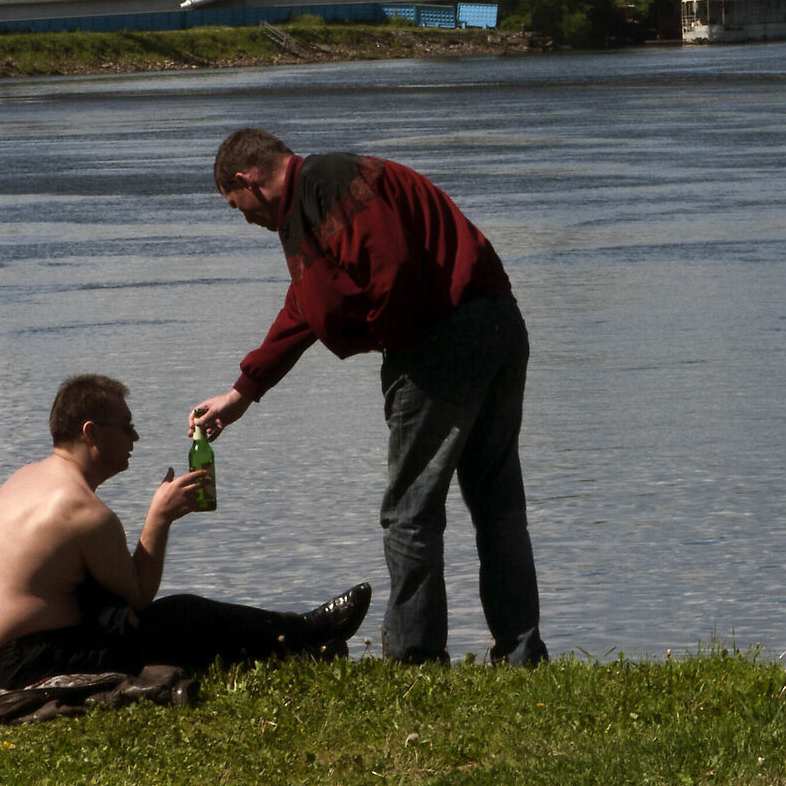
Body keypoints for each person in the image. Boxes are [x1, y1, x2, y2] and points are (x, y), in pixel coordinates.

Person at [188, 129, 545, 666]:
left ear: (249, 180)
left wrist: (394, 349)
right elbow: (306, 306)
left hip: (440, 341)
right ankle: (520, 654)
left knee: (410, 512)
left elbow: (391, 267)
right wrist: (244, 391)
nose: (250, 222)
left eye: (241, 209)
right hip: (495, 321)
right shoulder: (320, 198)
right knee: (497, 505)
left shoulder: (328, 184)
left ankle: (414, 659)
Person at [0, 373, 370, 689]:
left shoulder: (27, 478)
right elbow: (138, 596)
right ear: (91, 432)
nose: (135, 437)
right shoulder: (83, 511)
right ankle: (307, 631)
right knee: (180, 617)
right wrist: (160, 517)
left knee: (150, 619)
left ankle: (304, 645)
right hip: (25, 663)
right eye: (126, 426)